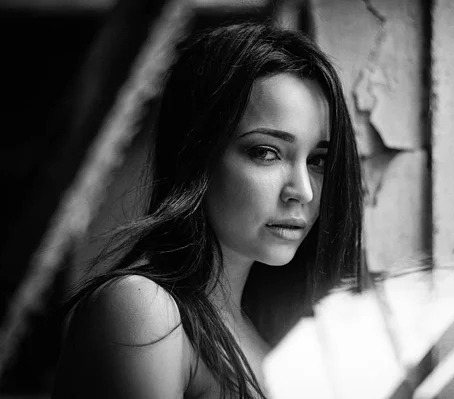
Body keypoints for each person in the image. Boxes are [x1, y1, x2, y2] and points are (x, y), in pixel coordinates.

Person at [51, 20, 363, 399]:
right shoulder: (144, 309)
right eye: (266, 152)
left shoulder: (257, 333)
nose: (302, 192)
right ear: (197, 153)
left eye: (317, 161)